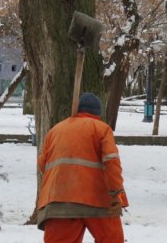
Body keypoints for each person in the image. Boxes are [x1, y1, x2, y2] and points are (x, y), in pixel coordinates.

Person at [37, 93, 128, 243]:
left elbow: (42, 164)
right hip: (98, 200)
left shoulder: (55, 131)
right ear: (98, 114)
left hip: (59, 201)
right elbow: (111, 161)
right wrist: (116, 193)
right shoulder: (101, 128)